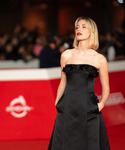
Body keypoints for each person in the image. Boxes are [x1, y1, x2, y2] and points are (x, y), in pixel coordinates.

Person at [48, 16, 110, 150]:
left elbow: (106, 88)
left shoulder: (99, 59)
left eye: (83, 26)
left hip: (89, 108)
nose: (79, 29)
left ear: (91, 32)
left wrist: (101, 104)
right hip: (67, 106)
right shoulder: (66, 55)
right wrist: (58, 102)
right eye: (77, 27)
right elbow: (63, 81)